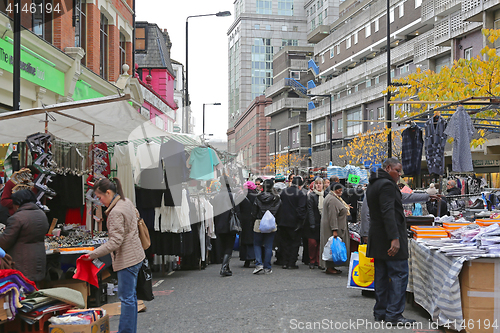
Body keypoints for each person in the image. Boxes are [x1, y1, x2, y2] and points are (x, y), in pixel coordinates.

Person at [82, 178, 145, 333]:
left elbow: (115, 242)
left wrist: (92, 254)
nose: (100, 201)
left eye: (100, 197)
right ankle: (129, 329)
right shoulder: (126, 202)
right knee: (131, 298)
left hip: (127, 259)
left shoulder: (116, 211)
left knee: (127, 298)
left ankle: (126, 331)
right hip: (136, 255)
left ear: (108, 193)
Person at [366, 158, 415, 324]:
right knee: (399, 275)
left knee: (381, 275)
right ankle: (393, 314)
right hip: (388, 238)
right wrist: (395, 238)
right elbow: (388, 212)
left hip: (378, 238)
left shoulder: (374, 183)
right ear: (388, 168)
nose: (399, 175)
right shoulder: (386, 185)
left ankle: (381, 312)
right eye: (397, 170)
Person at [0, 189, 48, 283]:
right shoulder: (42, 215)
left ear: (17, 204)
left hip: (22, 261)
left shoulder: (17, 218)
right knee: (34, 289)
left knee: (22, 291)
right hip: (39, 259)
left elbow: (5, 241)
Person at [251, 179, 281, 274]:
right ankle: (267, 267)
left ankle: (259, 264)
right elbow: (279, 211)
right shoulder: (276, 198)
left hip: (259, 221)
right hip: (271, 222)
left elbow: (254, 211)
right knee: (268, 245)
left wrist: (254, 218)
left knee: (257, 244)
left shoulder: (258, 197)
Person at [212, 175, 239, 277]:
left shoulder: (216, 196)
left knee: (223, 245)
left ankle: (226, 266)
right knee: (229, 246)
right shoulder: (233, 195)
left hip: (219, 223)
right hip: (230, 224)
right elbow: (237, 211)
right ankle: (224, 267)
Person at [320, 182, 350, 274]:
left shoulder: (332, 197)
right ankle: (330, 267)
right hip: (332, 227)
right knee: (332, 248)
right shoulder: (333, 199)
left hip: (329, 226)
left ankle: (331, 266)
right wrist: (334, 230)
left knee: (331, 247)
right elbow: (333, 215)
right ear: (335, 190)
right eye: (339, 190)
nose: (341, 192)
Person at [278, 176, 307, 269]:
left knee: (285, 243)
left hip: (283, 221)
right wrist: (301, 221)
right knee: (294, 243)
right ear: (300, 185)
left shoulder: (284, 192)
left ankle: (284, 262)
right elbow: (301, 209)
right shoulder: (301, 194)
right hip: (294, 222)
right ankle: (291, 262)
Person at [239, 181, 258, 267]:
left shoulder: (241, 196)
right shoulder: (256, 196)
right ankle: (254, 257)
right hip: (254, 219)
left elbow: (238, 210)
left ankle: (246, 258)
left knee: (244, 238)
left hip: (244, 220)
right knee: (254, 238)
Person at [306, 177, 324, 269]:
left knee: (321, 243)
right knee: (312, 243)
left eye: (320, 183)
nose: (318, 185)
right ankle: (312, 260)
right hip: (313, 222)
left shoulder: (325, 195)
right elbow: (310, 210)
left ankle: (318, 261)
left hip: (323, 222)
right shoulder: (311, 196)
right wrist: (312, 223)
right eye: (317, 183)